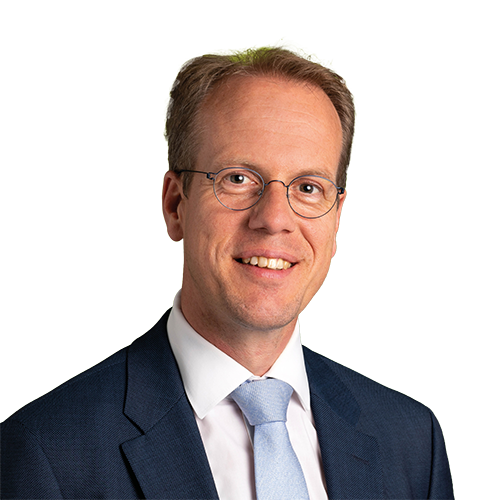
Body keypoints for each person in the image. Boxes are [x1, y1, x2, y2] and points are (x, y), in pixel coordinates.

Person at [0, 47, 454, 499]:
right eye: (238, 179)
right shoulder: (47, 452)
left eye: (308, 187)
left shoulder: (412, 441)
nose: (274, 218)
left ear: (337, 220)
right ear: (175, 205)